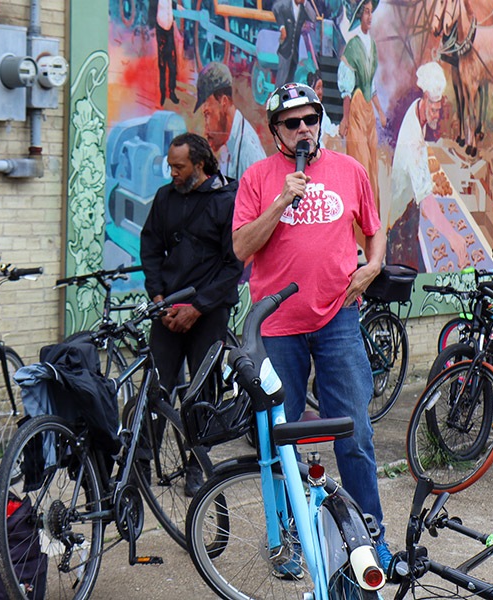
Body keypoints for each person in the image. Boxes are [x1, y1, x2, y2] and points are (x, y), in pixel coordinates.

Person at [232, 82, 392, 571]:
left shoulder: (350, 170)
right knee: (279, 438)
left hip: (338, 319)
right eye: (292, 123)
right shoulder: (259, 178)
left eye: (310, 119)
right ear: (275, 130)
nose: (304, 130)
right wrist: (280, 202)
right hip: (277, 326)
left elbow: (374, 224)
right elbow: (241, 248)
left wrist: (375, 264)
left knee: (356, 433)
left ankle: (369, 535)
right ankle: (287, 540)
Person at [140, 133, 243, 494]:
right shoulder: (166, 198)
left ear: (199, 165)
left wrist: (197, 308)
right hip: (167, 311)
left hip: (208, 313)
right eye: (170, 166)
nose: (172, 173)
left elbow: (235, 265)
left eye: (179, 167)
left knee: (200, 396)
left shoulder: (228, 199)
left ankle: (196, 466)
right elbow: (150, 248)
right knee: (154, 387)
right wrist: (158, 298)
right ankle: (139, 462)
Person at [388, 61, 470, 271]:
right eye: (433, 110)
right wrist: (453, 237)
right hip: (400, 225)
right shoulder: (412, 141)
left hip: (408, 213)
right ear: (425, 99)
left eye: (439, 110)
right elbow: (425, 203)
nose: (436, 115)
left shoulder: (417, 107)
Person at [338, 0, 386, 208]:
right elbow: (347, 89)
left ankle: (371, 215)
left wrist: (381, 113)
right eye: (366, 12)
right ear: (360, 16)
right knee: (360, 162)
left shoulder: (372, 45)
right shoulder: (353, 45)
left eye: (371, 12)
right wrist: (345, 118)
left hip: (368, 111)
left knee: (373, 164)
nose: (369, 16)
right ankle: (356, 218)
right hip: (356, 107)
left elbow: (372, 85)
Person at [195, 62, 266, 181]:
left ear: (224, 102)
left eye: (207, 115)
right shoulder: (230, 142)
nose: (205, 130)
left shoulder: (249, 152)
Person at [271, 0, 315, 92]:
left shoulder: (303, 8)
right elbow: (275, 7)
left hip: (295, 52)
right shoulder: (285, 4)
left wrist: (306, 3)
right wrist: (282, 27)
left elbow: (313, 17)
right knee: (281, 82)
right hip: (285, 51)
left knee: (289, 83)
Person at [149, 0, 179, 106]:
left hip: (169, 29)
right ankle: (163, 94)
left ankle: (172, 92)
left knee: (172, 64)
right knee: (162, 64)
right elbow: (152, 9)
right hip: (160, 29)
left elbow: (172, 6)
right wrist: (152, 27)